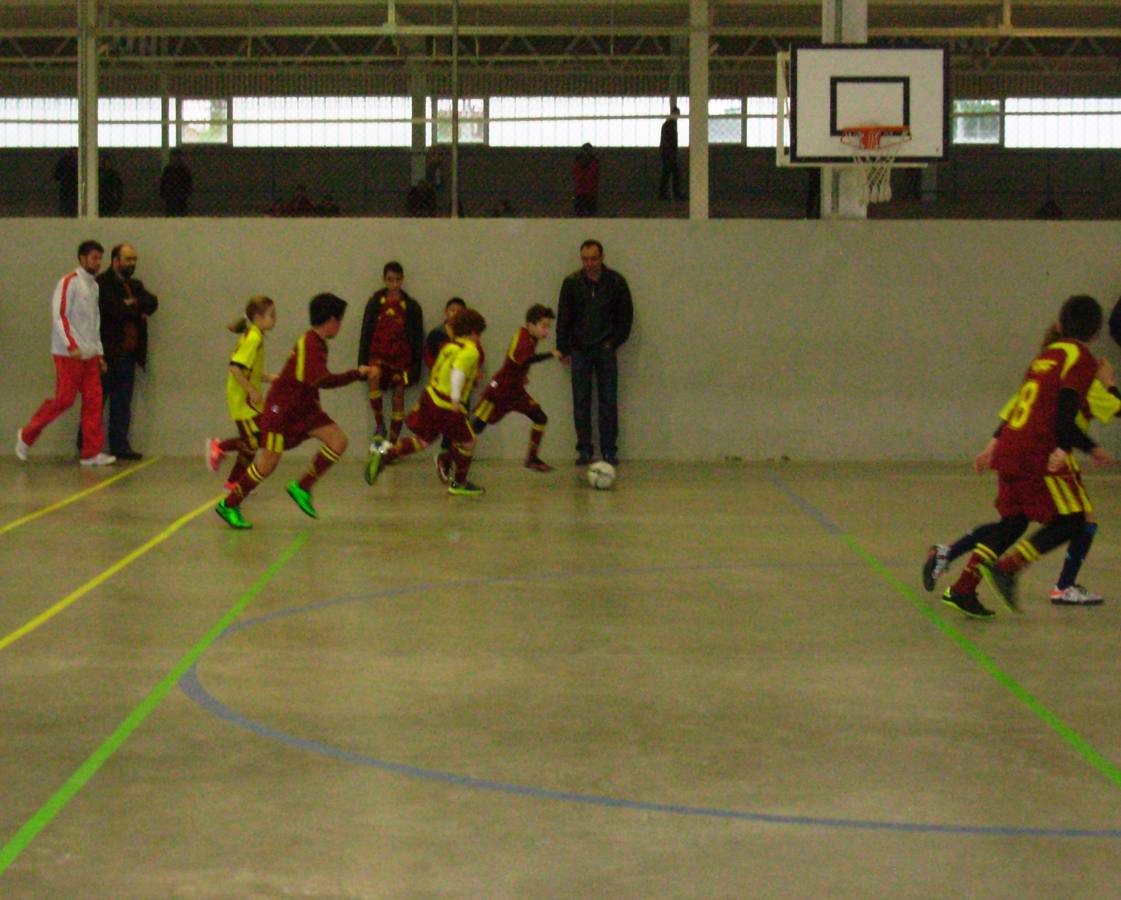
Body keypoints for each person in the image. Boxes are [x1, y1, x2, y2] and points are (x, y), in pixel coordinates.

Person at [934, 295, 1112, 618]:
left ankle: (963, 588)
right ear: (1097, 332)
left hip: (1011, 447)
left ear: (1059, 325)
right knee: (1072, 520)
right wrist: (1069, 447)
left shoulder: (1045, 356)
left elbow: (1021, 404)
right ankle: (1010, 568)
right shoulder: (1081, 357)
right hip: (1036, 451)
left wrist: (993, 445)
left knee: (1013, 522)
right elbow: (1066, 408)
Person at [215, 293, 369, 529]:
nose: (340, 326)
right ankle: (229, 503)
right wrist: (357, 373)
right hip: (282, 411)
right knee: (267, 464)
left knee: (338, 441)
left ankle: (303, 486)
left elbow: (309, 383)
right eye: (339, 320)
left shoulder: (317, 343)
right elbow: (321, 380)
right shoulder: (309, 343)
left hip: (303, 409)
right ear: (330, 321)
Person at [366, 308, 487, 497]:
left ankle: (385, 456)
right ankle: (459, 483)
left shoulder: (450, 347)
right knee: (470, 441)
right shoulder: (470, 351)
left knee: (423, 440)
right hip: (447, 404)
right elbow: (457, 372)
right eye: (479, 334)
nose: (479, 338)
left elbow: (439, 370)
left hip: (430, 397)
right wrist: (456, 399)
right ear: (473, 332)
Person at [16, 240, 115, 467]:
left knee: (93, 401)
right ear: (82, 258)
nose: (97, 262)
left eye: (100, 258)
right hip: (67, 354)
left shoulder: (95, 286)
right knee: (64, 399)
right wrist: (70, 345)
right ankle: (26, 436)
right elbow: (60, 315)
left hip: (89, 355)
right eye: (93, 258)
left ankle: (90, 453)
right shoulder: (68, 282)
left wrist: (99, 354)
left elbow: (94, 322)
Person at [556, 239, 633, 466]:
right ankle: (585, 450)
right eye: (585, 259)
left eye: (593, 258)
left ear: (602, 258)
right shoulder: (571, 283)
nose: (589, 263)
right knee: (581, 402)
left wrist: (614, 342)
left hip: (605, 350)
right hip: (579, 350)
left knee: (608, 401)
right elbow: (564, 317)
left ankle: (609, 449)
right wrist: (563, 347)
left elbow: (626, 317)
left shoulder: (616, 282)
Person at [470, 304, 561, 473]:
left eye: (548, 327)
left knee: (540, 417)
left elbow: (517, 364)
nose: (546, 331)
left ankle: (532, 459)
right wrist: (551, 354)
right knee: (477, 427)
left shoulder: (531, 339)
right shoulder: (523, 338)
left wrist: (520, 376)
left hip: (516, 392)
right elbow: (525, 360)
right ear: (530, 324)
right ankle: (448, 458)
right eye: (543, 326)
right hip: (499, 391)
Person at [94, 243, 159, 460]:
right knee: (96, 402)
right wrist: (132, 309)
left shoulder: (135, 285)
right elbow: (112, 310)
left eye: (134, 259)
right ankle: (87, 445)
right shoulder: (101, 284)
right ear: (116, 261)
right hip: (106, 354)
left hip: (128, 355)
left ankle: (119, 445)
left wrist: (133, 304)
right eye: (128, 259)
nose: (132, 264)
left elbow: (152, 303)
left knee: (122, 403)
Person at [208, 296, 277, 490]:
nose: (274, 319)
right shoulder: (253, 338)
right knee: (252, 441)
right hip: (242, 399)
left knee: (256, 439)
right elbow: (235, 368)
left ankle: (232, 478)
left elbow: (250, 370)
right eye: (271, 315)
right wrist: (251, 390)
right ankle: (220, 449)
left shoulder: (254, 335)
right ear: (257, 317)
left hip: (247, 398)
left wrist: (270, 377)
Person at [357, 261, 424, 444]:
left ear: (402, 280)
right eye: (390, 280)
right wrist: (361, 362)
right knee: (373, 381)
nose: (394, 284)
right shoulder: (375, 303)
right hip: (377, 356)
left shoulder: (411, 307)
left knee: (398, 395)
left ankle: (393, 442)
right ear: (384, 280)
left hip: (401, 359)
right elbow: (366, 333)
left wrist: (415, 367)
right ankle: (380, 425)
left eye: (397, 280)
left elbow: (418, 339)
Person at [424, 297, 467, 370]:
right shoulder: (436, 333)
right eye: (452, 310)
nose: (455, 314)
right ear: (446, 311)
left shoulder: (467, 334)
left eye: (459, 312)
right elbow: (428, 357)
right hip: (440, 375)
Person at [659, 105, 685, 201]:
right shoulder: (670, 125)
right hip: (669, 153)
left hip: (667, 153)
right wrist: (672, 153)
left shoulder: (668, 124)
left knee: (668, 173)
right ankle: (675, 194)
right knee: (674, 173)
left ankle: (664, 194)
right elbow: (670, 141)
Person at [159, 149, 193, 216]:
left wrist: (187, 193)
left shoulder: (185, 170)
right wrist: (163, 194)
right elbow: (163, 182)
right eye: (174, 156)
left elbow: (189, 183)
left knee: (181, 216)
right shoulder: (168, 170)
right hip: (170, 198)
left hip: (181, 198)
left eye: (177, 156)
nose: (175, 158)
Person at [572, 143, 600, 217]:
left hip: (586, 192)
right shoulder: (594, 161)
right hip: (585, 192)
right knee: (586, 214)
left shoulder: (578, 162)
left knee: (585, 214)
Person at [53, 148, 78, 216]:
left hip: (75, 191)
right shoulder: (64, 161)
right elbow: (57, 175)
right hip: (66, 191)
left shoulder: (81, 161)